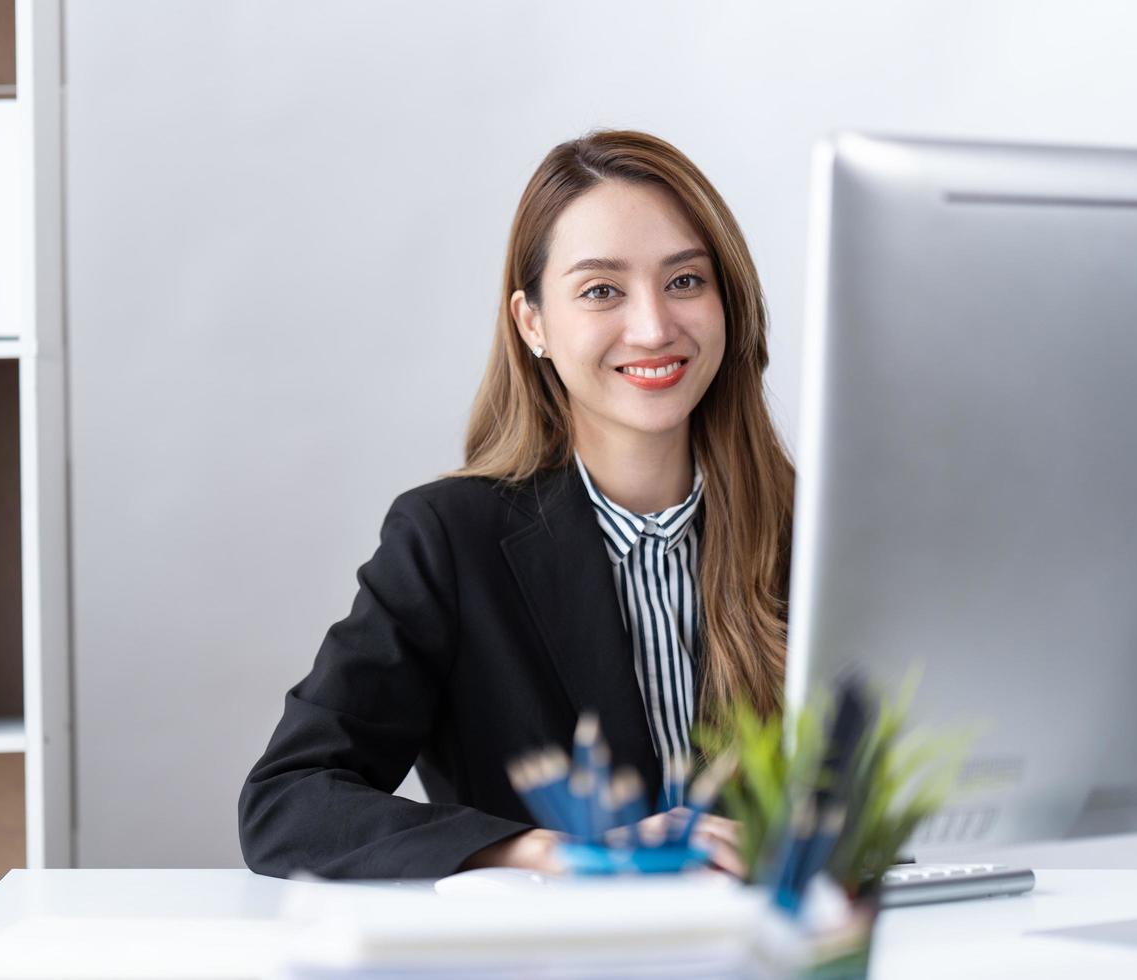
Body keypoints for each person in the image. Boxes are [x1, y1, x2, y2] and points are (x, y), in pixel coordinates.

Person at [239, 129, 794, 880]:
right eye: (602, 290)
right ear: (533, 322)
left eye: (685, 281)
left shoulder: (812, 529)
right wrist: (547, 853)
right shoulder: (448, 543)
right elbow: (288, 802)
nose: (654, 326)